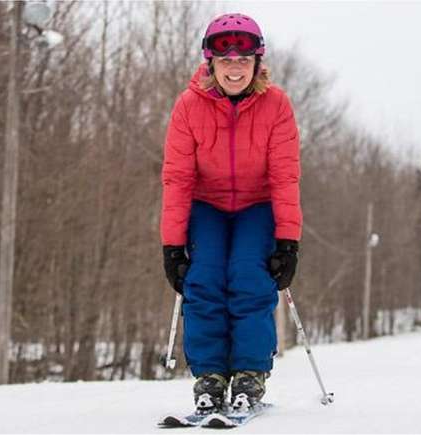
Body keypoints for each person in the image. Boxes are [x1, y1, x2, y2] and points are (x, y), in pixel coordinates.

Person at [160, 12, 302, 413]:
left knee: (247, 276)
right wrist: (172, 247)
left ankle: (249, 373)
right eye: (226, 61)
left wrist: (288, 241)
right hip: (208, 205)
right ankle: (210, 375)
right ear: (211, 63)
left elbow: (285, 176)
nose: (234, 69)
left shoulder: (276, 105)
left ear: (257, 63)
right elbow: (177, 179)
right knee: (202, 278)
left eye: (243, 60)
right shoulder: (189, 106)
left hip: (257, 205)